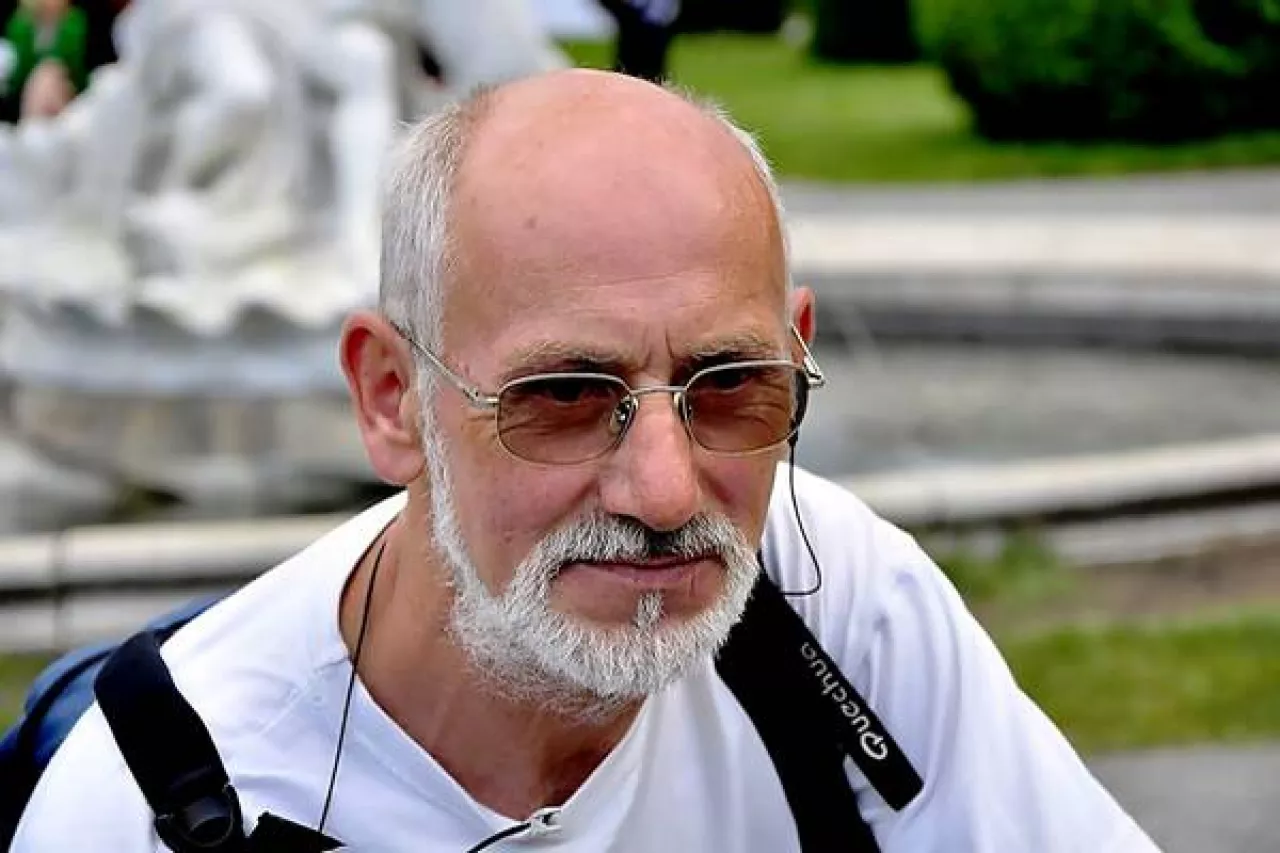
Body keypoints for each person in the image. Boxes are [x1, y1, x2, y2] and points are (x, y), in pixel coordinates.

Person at [10, 69, 1160, 851]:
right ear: (391, 398)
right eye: (563, 396)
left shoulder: (835, 604)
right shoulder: (144, 809)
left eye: (730, 384)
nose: (663, 489)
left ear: (797, 348)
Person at [3, 0, 87, 120]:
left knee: (48, 74)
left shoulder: (74, 20)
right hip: (28, 90)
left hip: (67, 86)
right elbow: (18, 68)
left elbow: (70, 62)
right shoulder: (20, 23)